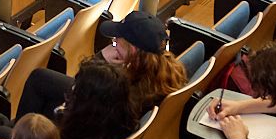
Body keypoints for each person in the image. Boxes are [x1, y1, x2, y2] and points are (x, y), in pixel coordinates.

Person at [18, 11, 185, 121]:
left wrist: (101, 58)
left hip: (94, 121)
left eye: (116, 41)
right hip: (107, 115)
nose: (113, 44)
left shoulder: (122, 91)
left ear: (133, 50)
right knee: (42, 80)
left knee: (38, 80)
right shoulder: (166, 70)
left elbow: (81, 88)